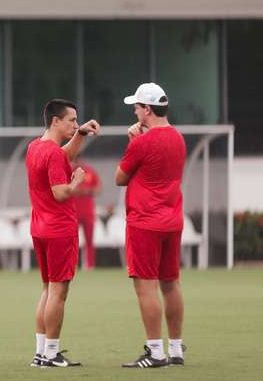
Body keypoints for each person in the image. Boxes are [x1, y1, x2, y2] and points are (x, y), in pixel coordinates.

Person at [115, 83, 187, 368]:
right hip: (172, 219)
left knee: (146, 287)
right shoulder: (179, 138)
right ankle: (176, 348)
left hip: (145, 221)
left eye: (137, 106)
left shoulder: (142, 142)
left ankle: (155, 352)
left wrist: (134, 141)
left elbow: (120, 177)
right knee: (170, 283)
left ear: (147, 110)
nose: (134, 110)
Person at [26, 99, 100, 368]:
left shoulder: (35, 146)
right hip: (59, 229)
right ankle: (52, 354)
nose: (76, 124)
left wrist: (80, 135)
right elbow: (60, 192)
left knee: (48, 290)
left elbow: (63, 155)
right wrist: (76, 182)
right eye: (72, 120)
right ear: (55, 121)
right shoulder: (53, 153)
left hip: (40, 226)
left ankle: (40, 352)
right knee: (59, 291)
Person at [72, 158, 101, 270]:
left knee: (89, 240)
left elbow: (98, 188)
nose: (78, 163)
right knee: (73, 240)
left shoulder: (89, 171)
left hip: (88, 212)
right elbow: (63, 189)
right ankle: (73, 265)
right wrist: (76, 191)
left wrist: (88, 191)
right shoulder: (69, 172)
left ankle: (90, 265)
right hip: (73, 212)